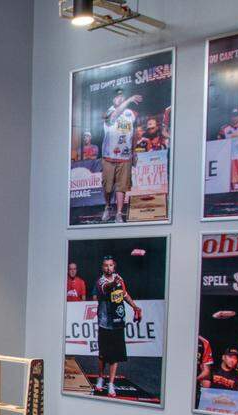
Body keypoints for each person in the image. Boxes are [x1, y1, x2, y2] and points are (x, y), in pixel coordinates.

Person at [91, 256, 142, 398]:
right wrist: (114, 283)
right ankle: (100, 378)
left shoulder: (119, 278)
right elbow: (106, 288)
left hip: (118, 321)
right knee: (103, 355)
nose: (108, 268)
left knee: (115, 356)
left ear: (114, 266)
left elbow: (124, 294)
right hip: (105, 323)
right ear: (103, 267)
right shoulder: (100, 281)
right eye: (106, 265)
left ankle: (111, 384)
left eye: (111, 265)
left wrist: (134, 307)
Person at [101, 89, 142, 223]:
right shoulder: (108, 112)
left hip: (125, 157)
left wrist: (134, 151)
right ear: (113, 99)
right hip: (109, 156)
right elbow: (115, 115)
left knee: (122, 186)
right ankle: (107, 207)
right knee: (107, 187)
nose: (119, 99)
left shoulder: (131, 114)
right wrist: (129, 99)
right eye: (117, 97)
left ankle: (119, 213)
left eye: (122, 96)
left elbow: (134, 132)